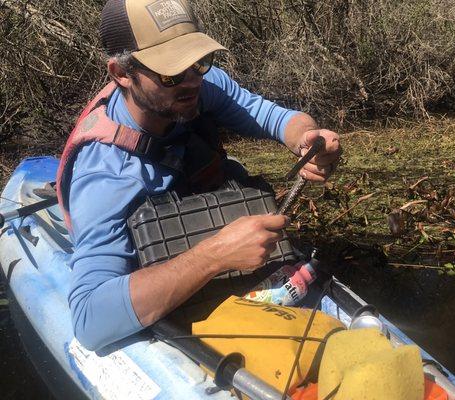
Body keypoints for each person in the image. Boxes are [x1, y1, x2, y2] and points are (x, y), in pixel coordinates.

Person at [59, 0, 341, 351]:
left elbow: (270, 115)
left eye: (198, 62)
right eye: (171, 72)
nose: (192, 80)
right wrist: (216, 255)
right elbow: (89, 320)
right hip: (160, 264)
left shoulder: (194, 88)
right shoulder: (104, 176)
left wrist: (306, 138)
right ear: (121, 73)